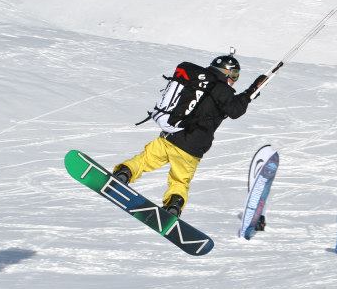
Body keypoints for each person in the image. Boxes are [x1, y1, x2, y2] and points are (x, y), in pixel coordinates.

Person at [112, 53, 266, 217]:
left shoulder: (197, 80)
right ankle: (174, 205)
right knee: (180, 180)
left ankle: (124, 173)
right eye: (234, 75)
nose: (234, 79)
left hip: (171, 135)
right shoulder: (223, 90)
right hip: (192, 147)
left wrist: (250, 92)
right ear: (225, 72)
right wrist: (251, 91)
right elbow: (235, 110)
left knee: (144, 159)